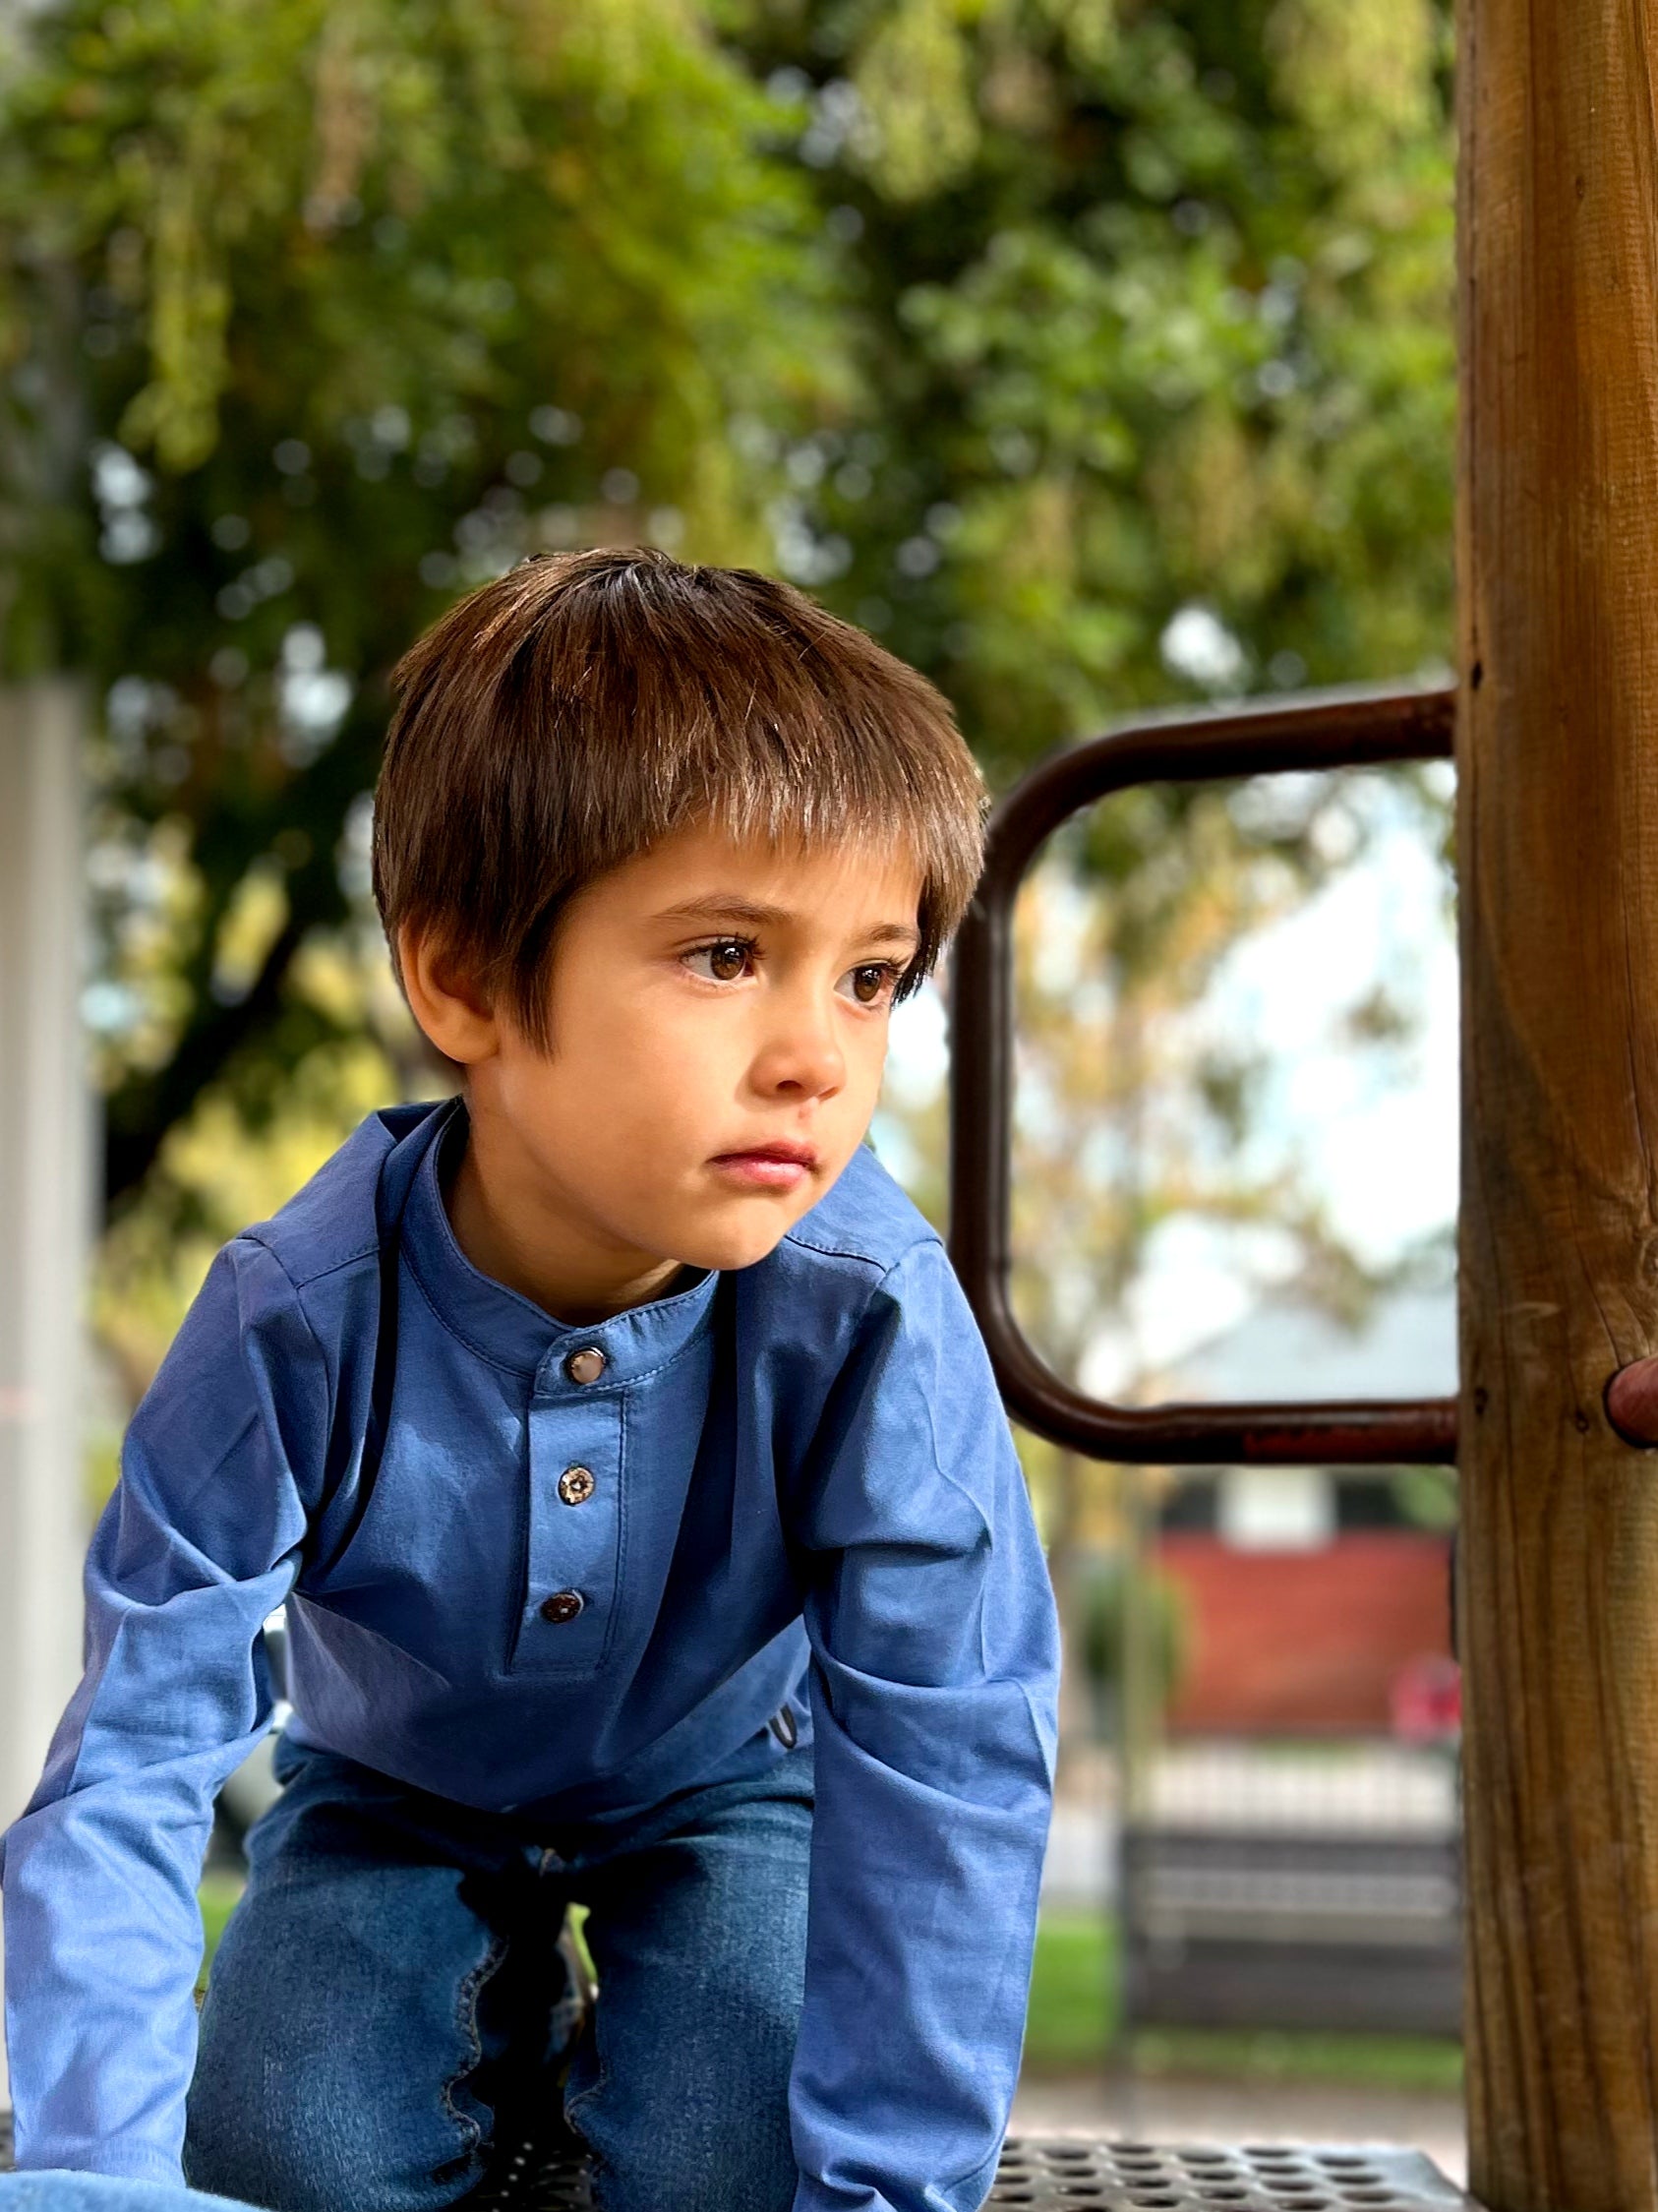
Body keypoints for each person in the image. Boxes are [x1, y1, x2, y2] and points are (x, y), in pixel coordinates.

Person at [0, 549, 1060, 2212]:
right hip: (396, 1788)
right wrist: (92, 2176)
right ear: (466, 982)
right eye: (725, 953)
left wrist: (884, 2191)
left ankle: (588, 2041)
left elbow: (952, 1754)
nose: (818, 1053)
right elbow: (131, 1755)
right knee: (288, 2159)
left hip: (722, 1779)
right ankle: (492, 2016)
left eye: (870, 974)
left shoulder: (870, 1313)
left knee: (733, 2167)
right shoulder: (293, 1314)